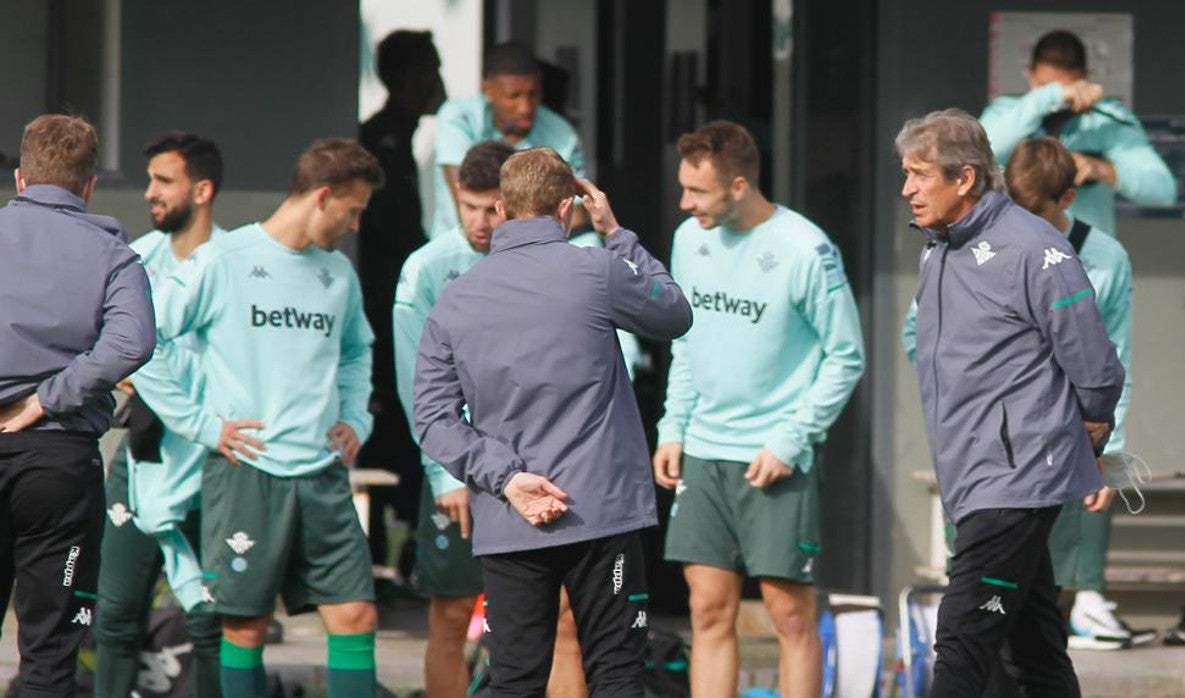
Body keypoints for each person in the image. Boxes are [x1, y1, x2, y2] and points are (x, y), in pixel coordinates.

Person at [412, 148, 692, 696]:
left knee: (514, 680)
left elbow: (433, 418)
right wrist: (617, 234)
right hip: (602, 513)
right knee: (616, 672)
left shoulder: (454, 299)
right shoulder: (599, 269)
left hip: (510, 517)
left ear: (499, 207)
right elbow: (674, 313)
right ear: (568, 209)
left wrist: (507, 478)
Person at [132, 139, 382, 698]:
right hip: (247, 474)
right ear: (322, 197)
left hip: (322, 476)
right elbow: (140, 340)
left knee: (357, 617)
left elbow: (357, 352)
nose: (357, 225)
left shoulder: (338, 275)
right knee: (243, 626)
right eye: (353, 211)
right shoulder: (225, 260)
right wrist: (200, 424)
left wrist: (355, 419)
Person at [897, 108, 1123, 697]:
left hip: (1016, 474)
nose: (908, 190)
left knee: (963, 635)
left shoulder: (1033, 247)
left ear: (964, 179)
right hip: (972, 473)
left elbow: (1095, 362)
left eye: (921, 175)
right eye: (907, 174)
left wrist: (1094, 426)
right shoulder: (937, 249)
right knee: (1034, 649)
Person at [653, 120, 866, 698]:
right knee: (707, 610)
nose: (684, 202)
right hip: (704, 451)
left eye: (697, 191)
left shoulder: (806, 249)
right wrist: (673, 428)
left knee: (789, 615)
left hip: (773, 457)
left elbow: (847, 357)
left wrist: (792, 440)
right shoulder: (687, 238)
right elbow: (686, 344)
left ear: (740, 185)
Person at [395, 140, 611, 698]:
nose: (480, 220)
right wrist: (447, 475)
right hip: (460, 468)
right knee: (450, 618)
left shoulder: (562, 264)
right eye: (468, 205)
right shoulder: (427, 268)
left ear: (514, 207)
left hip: (546, 466)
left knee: (563, 621)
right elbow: (417, 389)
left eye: (491, 206)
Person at [0, 114, 156, 698]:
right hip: (59, 460)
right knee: (50, 653)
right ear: (89, 186)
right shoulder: (113, 254)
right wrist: (48, 398)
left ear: (21, 178)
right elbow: (131, 342)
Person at [1004, 137, 1155, 650]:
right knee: (992, 603)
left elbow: (1119, 360)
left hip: (1066, 435)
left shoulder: (1106, 259)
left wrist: (1109, 450)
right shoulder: (987, 247)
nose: (1025, 227)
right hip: (995, 438)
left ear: (1067, 199)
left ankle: (1088, 604)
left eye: (1038, 214)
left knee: (1042, 613)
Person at [95, 132, 227, 698]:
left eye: (163, 181)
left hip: (213, 460)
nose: (149, 192)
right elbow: (101, 345)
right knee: (115, 616)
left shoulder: (236, 260)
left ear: (202, 190)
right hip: (144, 455)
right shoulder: (133, 259)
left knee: (212, 623)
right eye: (150, 179)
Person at [357, 31, 447, 565]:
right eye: (432, 68)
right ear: (412, 78)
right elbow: (391, 238)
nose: (440, 80)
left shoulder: (408, 136)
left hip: (401, 302)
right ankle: (383, 551)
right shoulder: (380, 141)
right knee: (390, 420)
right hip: (384, 306)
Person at [980, 29, 1176, 236]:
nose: (1058, 100)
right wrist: (1053, 96)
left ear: (1084, 77)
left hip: (1084, 257)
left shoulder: (1103, 121)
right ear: (1030, 73)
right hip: (1016, 253)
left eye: (1068, 86)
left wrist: (1101, 169)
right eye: (1044, 86)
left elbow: (1163, 190)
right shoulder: (1009, 112)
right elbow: (982, 151)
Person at [431, 41, 584, 236]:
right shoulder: (460, 117)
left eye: (533, 94)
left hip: (530, 253)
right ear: (487, 90)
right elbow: (465, 193)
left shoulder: (562, 133)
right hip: (460, 249)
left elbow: (575, 212)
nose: (525, 108)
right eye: (514, 96)